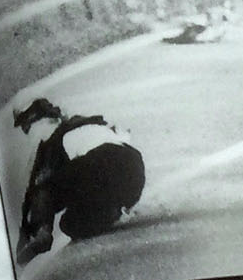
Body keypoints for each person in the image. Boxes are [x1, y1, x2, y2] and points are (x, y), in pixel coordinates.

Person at [11, 97, 146, 265]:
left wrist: (28, 232)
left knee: (47, 191)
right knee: (70, 222)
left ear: (38, 120)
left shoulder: (50, 139)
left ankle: (42, 233)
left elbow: (37, 187)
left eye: (26, 126)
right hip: (134, 172)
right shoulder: (90, 122)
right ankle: (113, 210)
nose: (27, 131)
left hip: (99, 164)